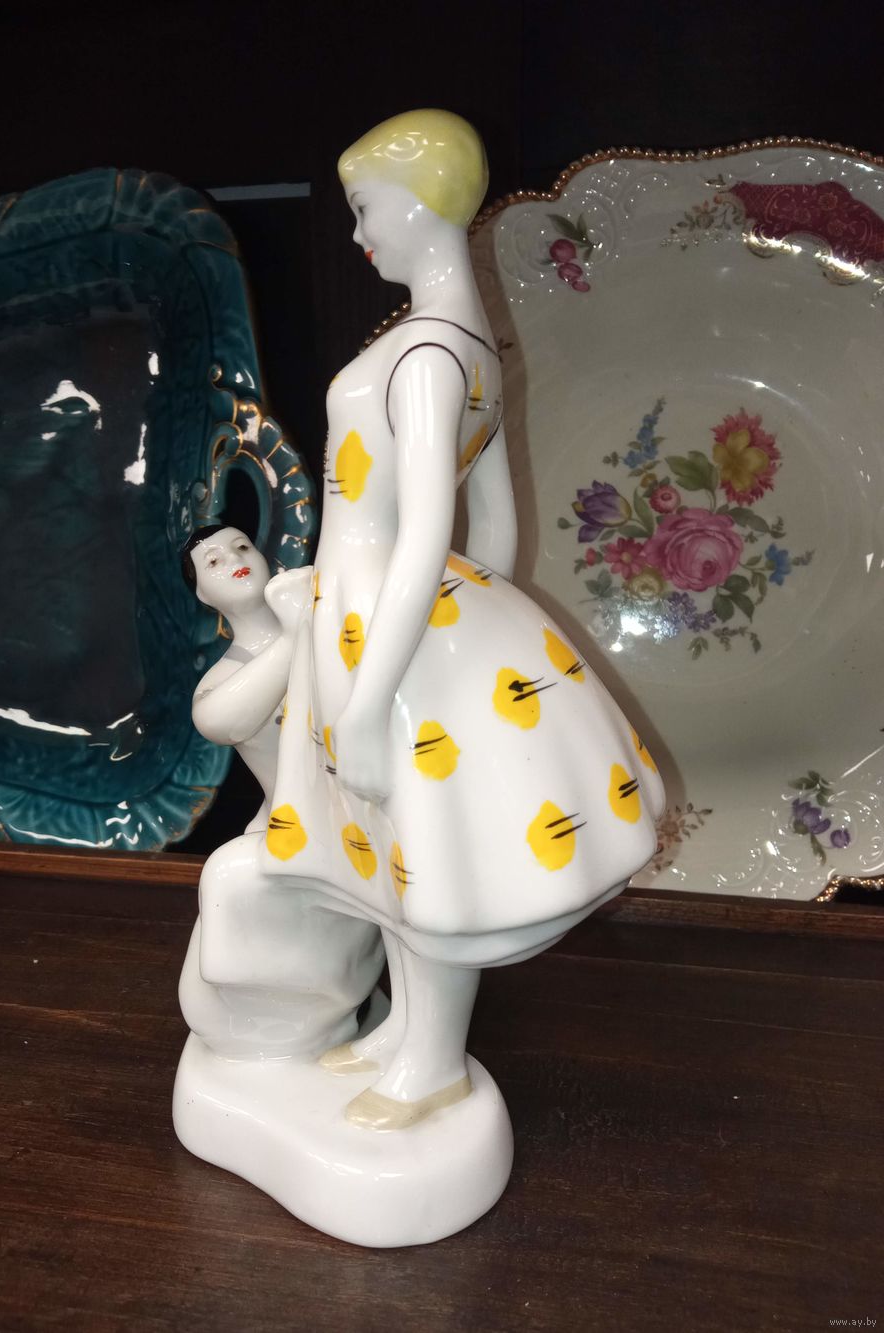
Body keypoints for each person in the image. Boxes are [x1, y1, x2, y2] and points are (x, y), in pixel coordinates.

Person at [260, 109, 665, 1129]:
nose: (360, 235)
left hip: (381, 615)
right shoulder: (472, 348)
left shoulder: (425, 354)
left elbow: (429, 528)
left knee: (427, 842)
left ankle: (431, 1061)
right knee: (402, 844)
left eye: (366, 208)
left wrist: (377, 693)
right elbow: (497, 525)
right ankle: (407, 1031)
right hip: (397, 616)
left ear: (422, 200)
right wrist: (472, 623)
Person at [176, 526, 383, 1061]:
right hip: (287, 828)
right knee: (229, 899)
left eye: (242, 547)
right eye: (213, 561)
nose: (233, 559)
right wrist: (295, 634)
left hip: (366, 816)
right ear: (201, 593)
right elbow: (221, 720)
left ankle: (350, 1008)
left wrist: (311, 624)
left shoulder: (334, 632)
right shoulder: (222, 680)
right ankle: (290, 1026)